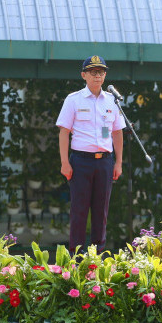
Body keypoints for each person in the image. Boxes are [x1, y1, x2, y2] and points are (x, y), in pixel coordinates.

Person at [56, 56, 124, 253]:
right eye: (93, 72)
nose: (98, 76)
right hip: (80, 161)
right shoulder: (74, 99)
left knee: (101, 212)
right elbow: (64, 132)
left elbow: (117, 132)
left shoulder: (112, 101)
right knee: (79, 211)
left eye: (101, 72)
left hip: (104, 162)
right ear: (83, 75)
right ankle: (76, 258)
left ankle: (97, 258)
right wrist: (64, 162)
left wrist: (118, 162)